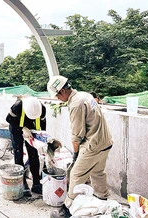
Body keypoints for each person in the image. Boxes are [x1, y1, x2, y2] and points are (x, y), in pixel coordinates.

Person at [47, 75, 113, 218]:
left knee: (76, 175)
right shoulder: (85, 95)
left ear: (62, 91)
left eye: (57, 95)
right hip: (105, 142)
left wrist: (76, 154)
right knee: (97, 172)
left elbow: (77, 134)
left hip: (93, 145)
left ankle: (67, 210)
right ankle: (102, 200)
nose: (57, 99)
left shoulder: (76, 104)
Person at [5, 96, 47, 196]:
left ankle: (36, 184)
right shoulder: (18, 106)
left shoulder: (42, 109)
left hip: (32, 130)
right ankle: (23, 184)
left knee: (34, 155)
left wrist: (42, 140)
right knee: (18, 154)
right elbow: (9, 119)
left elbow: (43, 126)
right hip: (16, 128)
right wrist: (23, 128)